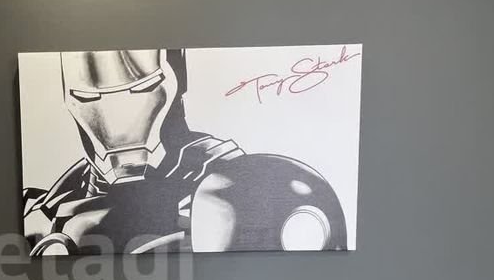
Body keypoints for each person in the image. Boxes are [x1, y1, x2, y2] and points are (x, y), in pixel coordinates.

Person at [23, 49, 347, 255]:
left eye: (143, 87)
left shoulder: (231, 184)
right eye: (88, 96)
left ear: (176, 80)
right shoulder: (52, 203)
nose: (117, 112)